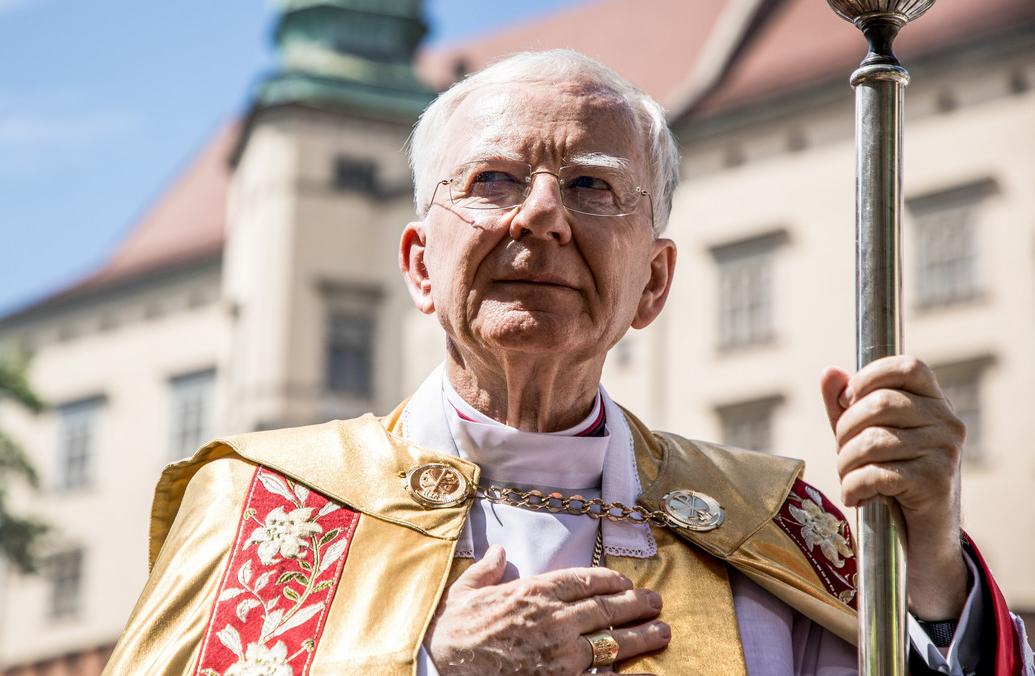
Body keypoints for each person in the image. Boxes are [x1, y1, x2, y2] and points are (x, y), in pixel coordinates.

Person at [103, 50, 1032, 675]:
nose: (541, 217)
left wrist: (935, 564)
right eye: (493, 182)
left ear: (654, 284)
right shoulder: (264, 507)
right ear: (422, 266)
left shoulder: (770, 526)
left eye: (591, 186)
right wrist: (426, 665)